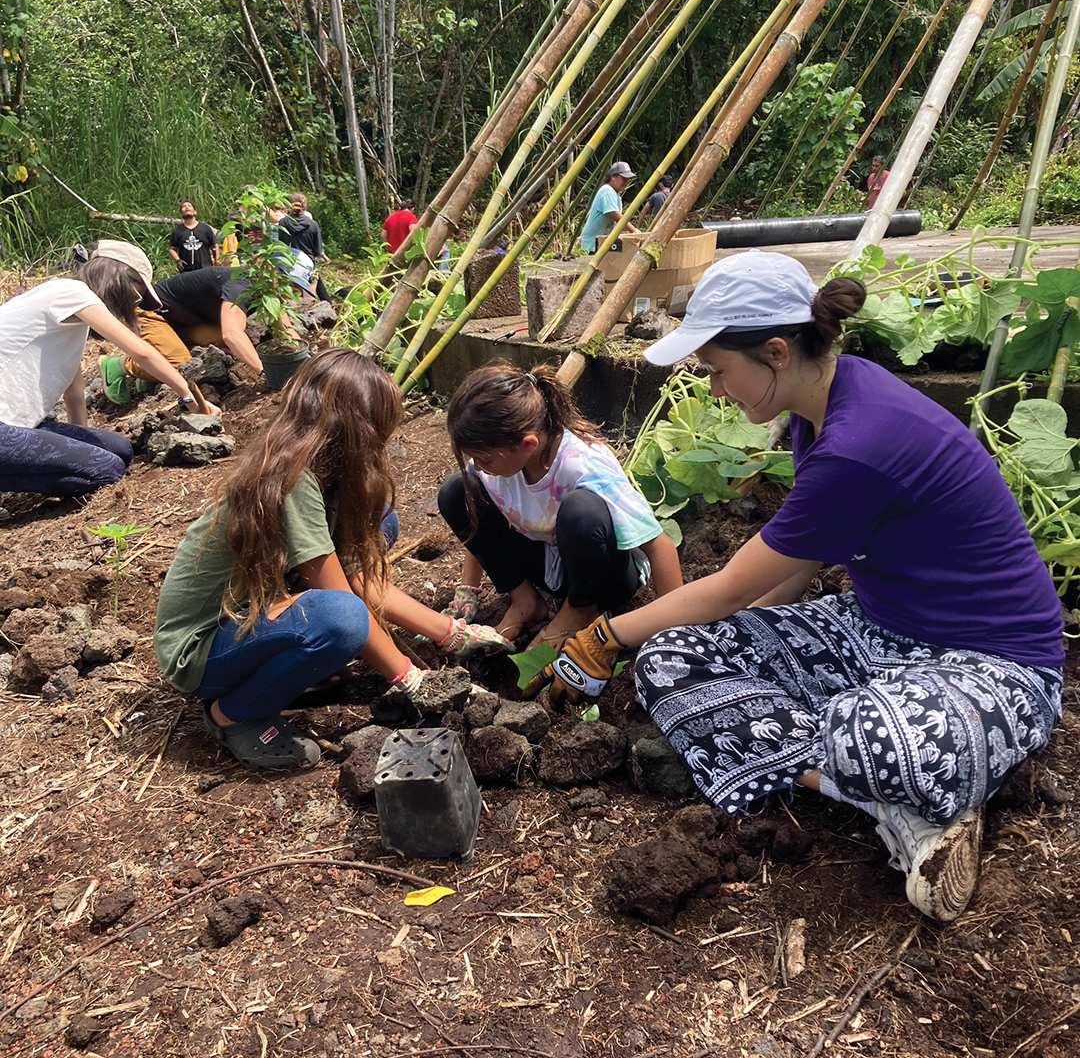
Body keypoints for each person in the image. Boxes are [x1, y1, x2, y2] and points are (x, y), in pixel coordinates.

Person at [528, 252, 1063, 923]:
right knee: (670, 658)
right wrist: (729, 642)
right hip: (878, 630)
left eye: (719, 370)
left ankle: (894, 774)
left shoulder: (859, 442)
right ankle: (890, 803)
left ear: (776, 351)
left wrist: (605, 634)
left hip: (995, 664)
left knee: (864, 732)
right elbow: (797, 567)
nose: (716, 388)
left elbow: (726, 587)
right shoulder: (825, 406)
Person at [153, 350, 509, 771]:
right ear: (355, 431)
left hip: (251, 616)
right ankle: (231, 715)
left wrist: (451, 633)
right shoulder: (292, 478)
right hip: (201, 648)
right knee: (341, 621)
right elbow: (344, 599)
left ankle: (286, 668)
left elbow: (360, 576)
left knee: (381, 524)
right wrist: (410, 677)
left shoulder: (328, 477)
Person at [437, 364, 683, 648]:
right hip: (555, 568)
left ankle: (579, 612)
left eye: (486, 460)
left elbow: (659, 544)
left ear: (528, 443)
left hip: (606, 575)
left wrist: (674, 635)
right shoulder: (502, 459)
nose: (480, 467)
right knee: (457, 490)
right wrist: (469, 587)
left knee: (582, 511)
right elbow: (479, 519)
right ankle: (525, 600)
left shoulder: (582, 466)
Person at [0, 259, 212, 497]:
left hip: (15, 425)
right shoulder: (70, 292)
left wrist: (80, 447)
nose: (134, 303)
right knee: (107, 469)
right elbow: (141, 351)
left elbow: (75, 396)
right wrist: (187, 396)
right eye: (136, 294)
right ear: (117, 279)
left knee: (120, 450)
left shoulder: (68, 320)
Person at [147, 255, 314, 380]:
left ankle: (167, 345)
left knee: (218, 340)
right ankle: (125, 366)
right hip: (151, 311)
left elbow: (285, 327)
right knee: (179, 364)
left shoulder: (269, 290)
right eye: (289, 283)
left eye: (295, 287)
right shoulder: (243, 284)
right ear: (271, 270)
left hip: (187, 318)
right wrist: (266, 373)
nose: (292, 292)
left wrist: (308, 361)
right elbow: (232, 334)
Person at [92, 240, 194, 405]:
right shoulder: (81, 300)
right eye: (138, 289)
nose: (138, 297)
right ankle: (116, 365)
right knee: (180, 366)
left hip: (173, 315)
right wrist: (188, 396)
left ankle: (146, 375)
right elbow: (143, 353)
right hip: (152, 315)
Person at [581, 161, 642, 255]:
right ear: (613, 177)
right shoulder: (607, 191)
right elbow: (616, 215)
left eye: (628, 179)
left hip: (602, 241)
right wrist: (634, 231)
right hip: (593, 243)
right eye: (623, 179)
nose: (626, 182)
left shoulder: (615, 193)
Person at [279, 193, 331, 302]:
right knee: (309, 304)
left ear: (289, 206)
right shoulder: (313, 225)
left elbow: (280, 245)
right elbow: (317, 251)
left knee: (288, 303)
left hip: (288, 266)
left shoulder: (282, 223)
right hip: (307, 266)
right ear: (305, 206)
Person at [169, 202, 218, 272]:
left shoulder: (205, 228)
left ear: (195, 212)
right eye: (184, 206)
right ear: (181, 214)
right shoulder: (178, 231)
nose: (186, 207)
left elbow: (214, 246)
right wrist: (178, 260)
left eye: (189, 206)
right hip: (186, 270)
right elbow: (172, 249)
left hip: (205, 268)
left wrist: (217, 261)